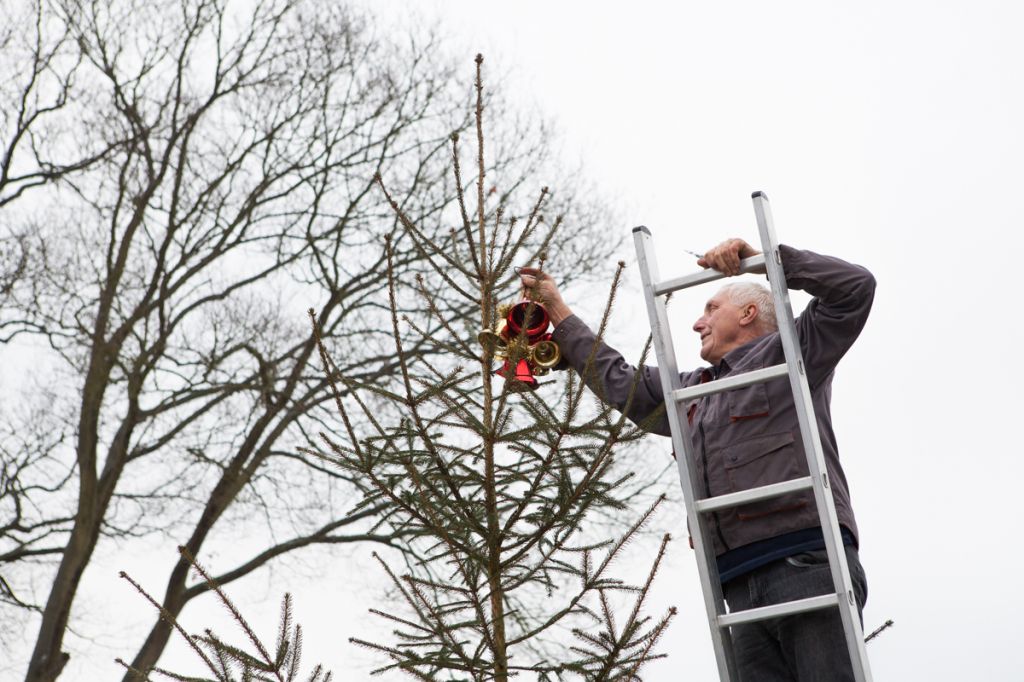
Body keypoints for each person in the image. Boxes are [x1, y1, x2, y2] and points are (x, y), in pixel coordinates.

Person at [518, 237, 875, 682]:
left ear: (748, 313)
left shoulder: (794, 352)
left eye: (711, 308)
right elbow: (621, 381)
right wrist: (557, 311)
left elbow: (855, 288)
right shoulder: (693, 391)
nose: (696, 323)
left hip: (804, 560)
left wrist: (764, 260)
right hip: (737, 581)